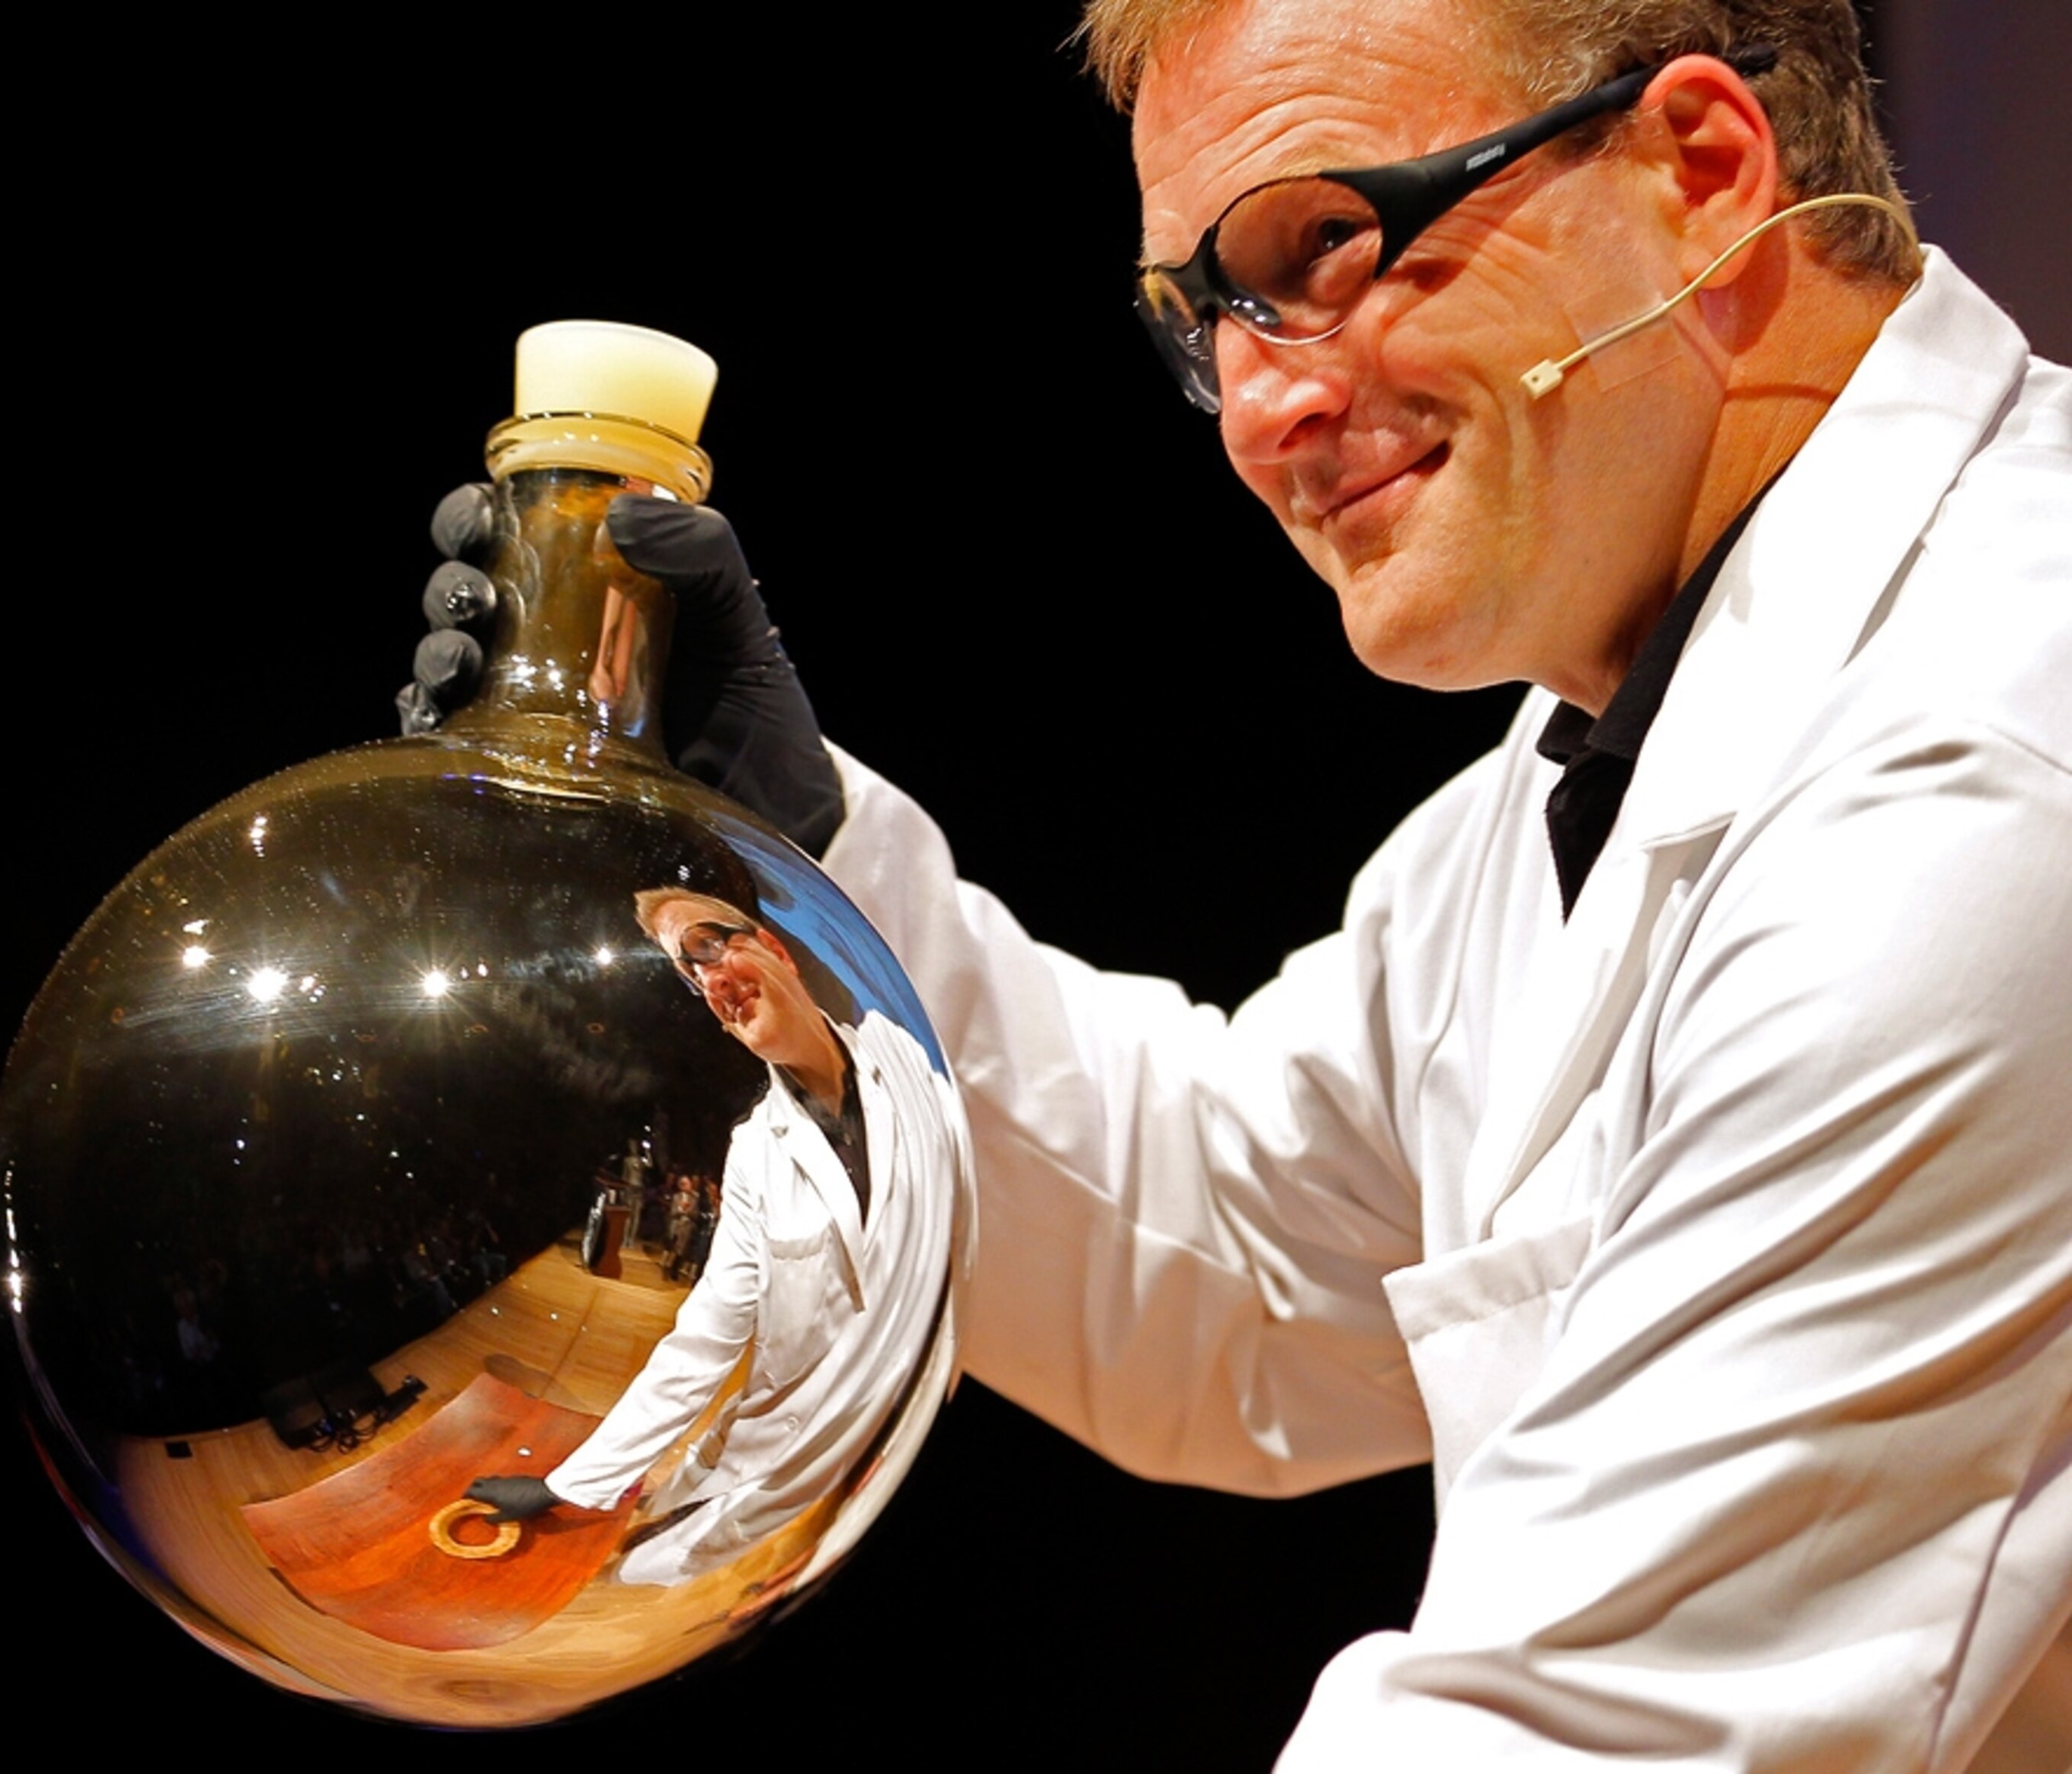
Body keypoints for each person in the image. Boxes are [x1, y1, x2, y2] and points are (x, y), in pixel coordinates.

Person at [414, 0, 2067, 1759]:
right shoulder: (1619, 721)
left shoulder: (1972, 770)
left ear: (1696, 169)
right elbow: (1240, 1256)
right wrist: (792, 848)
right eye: (1208, 317)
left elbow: (1588, 1736)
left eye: (1330, 246)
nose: (1265, 409)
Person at [467, 889, 963, 1586]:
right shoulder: (756, 1151)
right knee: (632, 1575)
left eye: (710, 945)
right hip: (777, 1458)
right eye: (689, 973)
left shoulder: (908, 1060)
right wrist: (568, 1485)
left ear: (777, 948)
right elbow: (705, 1339)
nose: (710, 981)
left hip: (902, 1447)